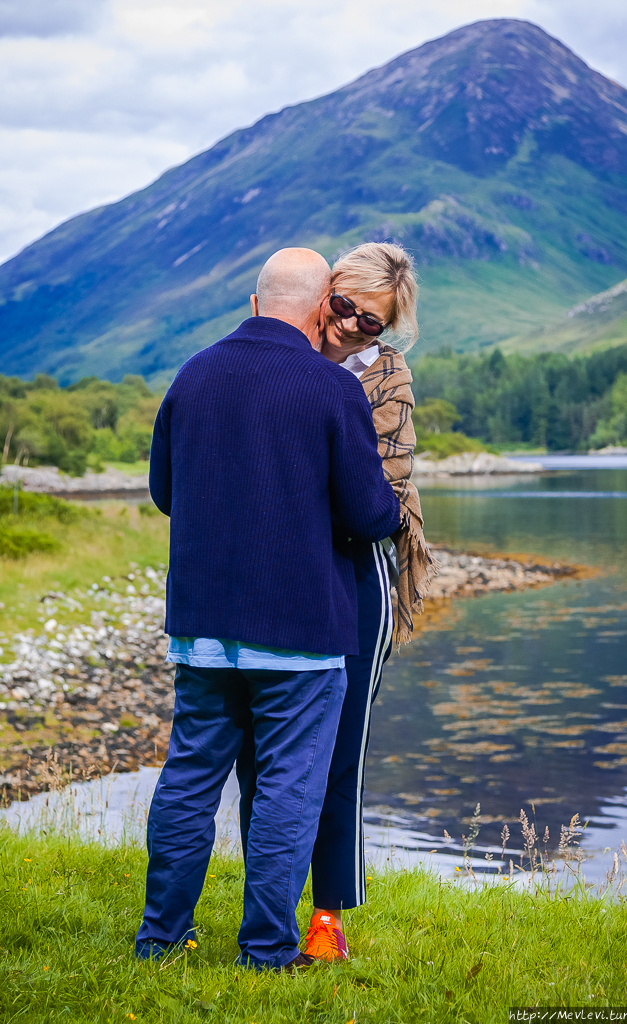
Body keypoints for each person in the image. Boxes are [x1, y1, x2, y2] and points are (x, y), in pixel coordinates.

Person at [135, 247, 400, 972]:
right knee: (289, 786)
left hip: (201, 630)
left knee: (188, 779)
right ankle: (268, 949)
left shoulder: (190, 376)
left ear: (254, 304)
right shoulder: (329, 390)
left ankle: (161, 938)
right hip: (299, 637)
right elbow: (371, 513)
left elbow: (166, 493)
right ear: (320, 309)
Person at [237, 242, 435, 962]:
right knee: (262, 753)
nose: (352, 326)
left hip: (357, 575)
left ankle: (326, 916)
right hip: (279, 578)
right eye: (345, 307)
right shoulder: (274, 354)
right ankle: (267, 910)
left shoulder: (385, 376)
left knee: (339, 753)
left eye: (372, 322)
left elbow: (376, 497)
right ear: (323, 295)